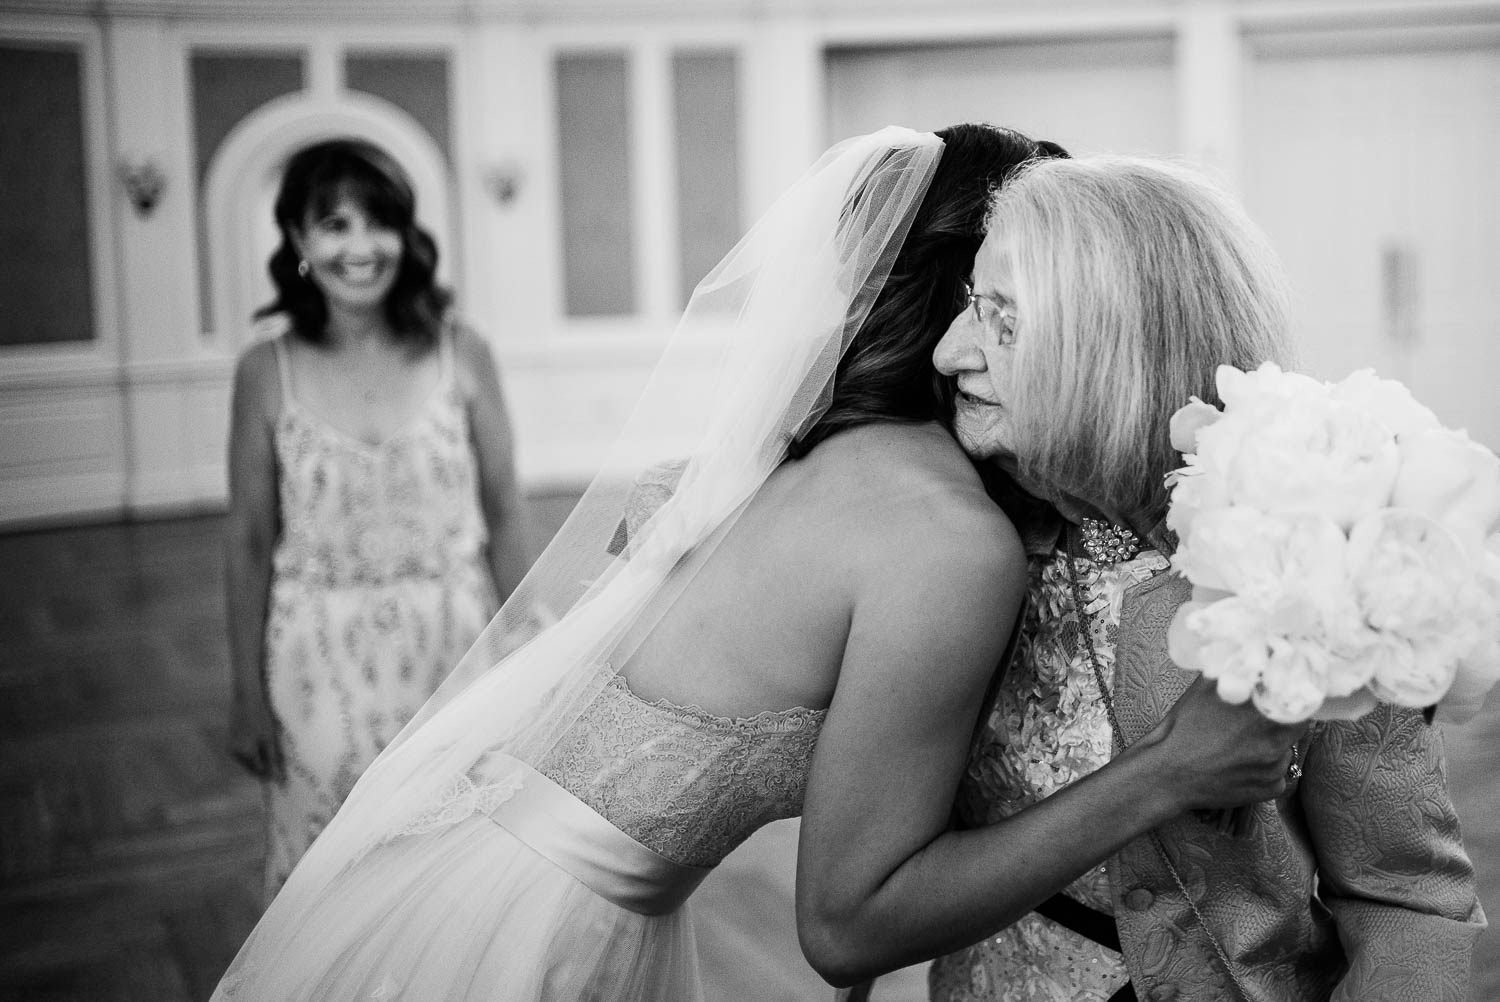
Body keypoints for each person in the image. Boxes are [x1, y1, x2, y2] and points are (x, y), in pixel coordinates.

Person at [210, 125, 1306, 1002]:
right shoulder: (945, 540)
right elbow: (844, 926)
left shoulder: (807, 456)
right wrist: (1168, 770)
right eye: (987, 300)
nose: (966, 346)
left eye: (1020, 314)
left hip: (469, 872)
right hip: (537, 934)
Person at [917, 155, 1484, 1001]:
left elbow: (1407, 901)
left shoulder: (1318, 542)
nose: (947, 348)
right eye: (973, 302)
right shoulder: (965, 525)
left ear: (1109, 347)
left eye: (1001, 316)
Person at [223, 138, 531, 900]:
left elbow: (503, 508)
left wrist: (531, 652)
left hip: (456, 654)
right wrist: (246, 694)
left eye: (378, 224)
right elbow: (249, 540)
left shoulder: (463, 352)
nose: (360, 247)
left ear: (406, 235)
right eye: (334, 224)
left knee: (456, 876)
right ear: (297, 240)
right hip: (314, 666)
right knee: (331, 883)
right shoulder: (266, 371)